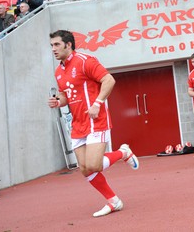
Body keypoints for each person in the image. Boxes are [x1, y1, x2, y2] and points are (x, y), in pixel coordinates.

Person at [47, 30, 139, 217]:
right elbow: (65, 95)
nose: (53, 49)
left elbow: (108, 80)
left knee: (94, 165)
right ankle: (114, 201)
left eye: (57, 44)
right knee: (84, 169)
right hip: (78, 124)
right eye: (51, 45)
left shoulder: (85, 60)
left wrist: (97, 103)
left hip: (95, 120)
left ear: (68, 44)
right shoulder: (58, 71)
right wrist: (58, 101)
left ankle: (123, 152)